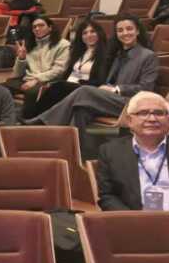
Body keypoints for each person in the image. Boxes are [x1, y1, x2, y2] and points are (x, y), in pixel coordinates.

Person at [29, 15, 158, 158]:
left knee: (84, 91)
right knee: (80, 109)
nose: (125, 33)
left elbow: (146, 88)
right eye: (120, 30)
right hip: (110, 99)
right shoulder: (117, 54)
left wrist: (116, 89)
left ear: (137, 31)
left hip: (131, 103)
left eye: (129, 29)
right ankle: (78, 153)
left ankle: (42, 123)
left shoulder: (148, 56)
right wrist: (108, 88)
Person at [96, 91, 169, 210]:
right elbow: (107, 196)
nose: (152, 119)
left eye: (159, 113)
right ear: (130, 120)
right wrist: (132, 218)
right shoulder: (111, 151)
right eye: (143, 113)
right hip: (133, 218)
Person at [28, 18, 110, 117]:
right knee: (54, 87)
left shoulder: (105, 54)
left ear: (99, 33)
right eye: (85, 33)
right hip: (69, 85)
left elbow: (100, 80)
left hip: (85, 88)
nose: (89, 35)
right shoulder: (78, 52)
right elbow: (68, 73)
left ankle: (34, 117)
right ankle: (36, 117)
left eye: (92, 31)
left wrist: (78, 82)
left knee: (59, 87)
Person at [8, 15, 72, 119]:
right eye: (34, 27)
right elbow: (17, 74)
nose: (37, 29)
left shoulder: (63, 45)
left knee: (32, 92)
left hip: (49, 81)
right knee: (2, 88)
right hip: (28, 79)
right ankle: (5, 117)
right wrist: (21, 58)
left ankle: (27, 121)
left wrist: (37, 79)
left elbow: (59, 70)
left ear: (50, 27)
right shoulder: (29, 44)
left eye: (41, 25)